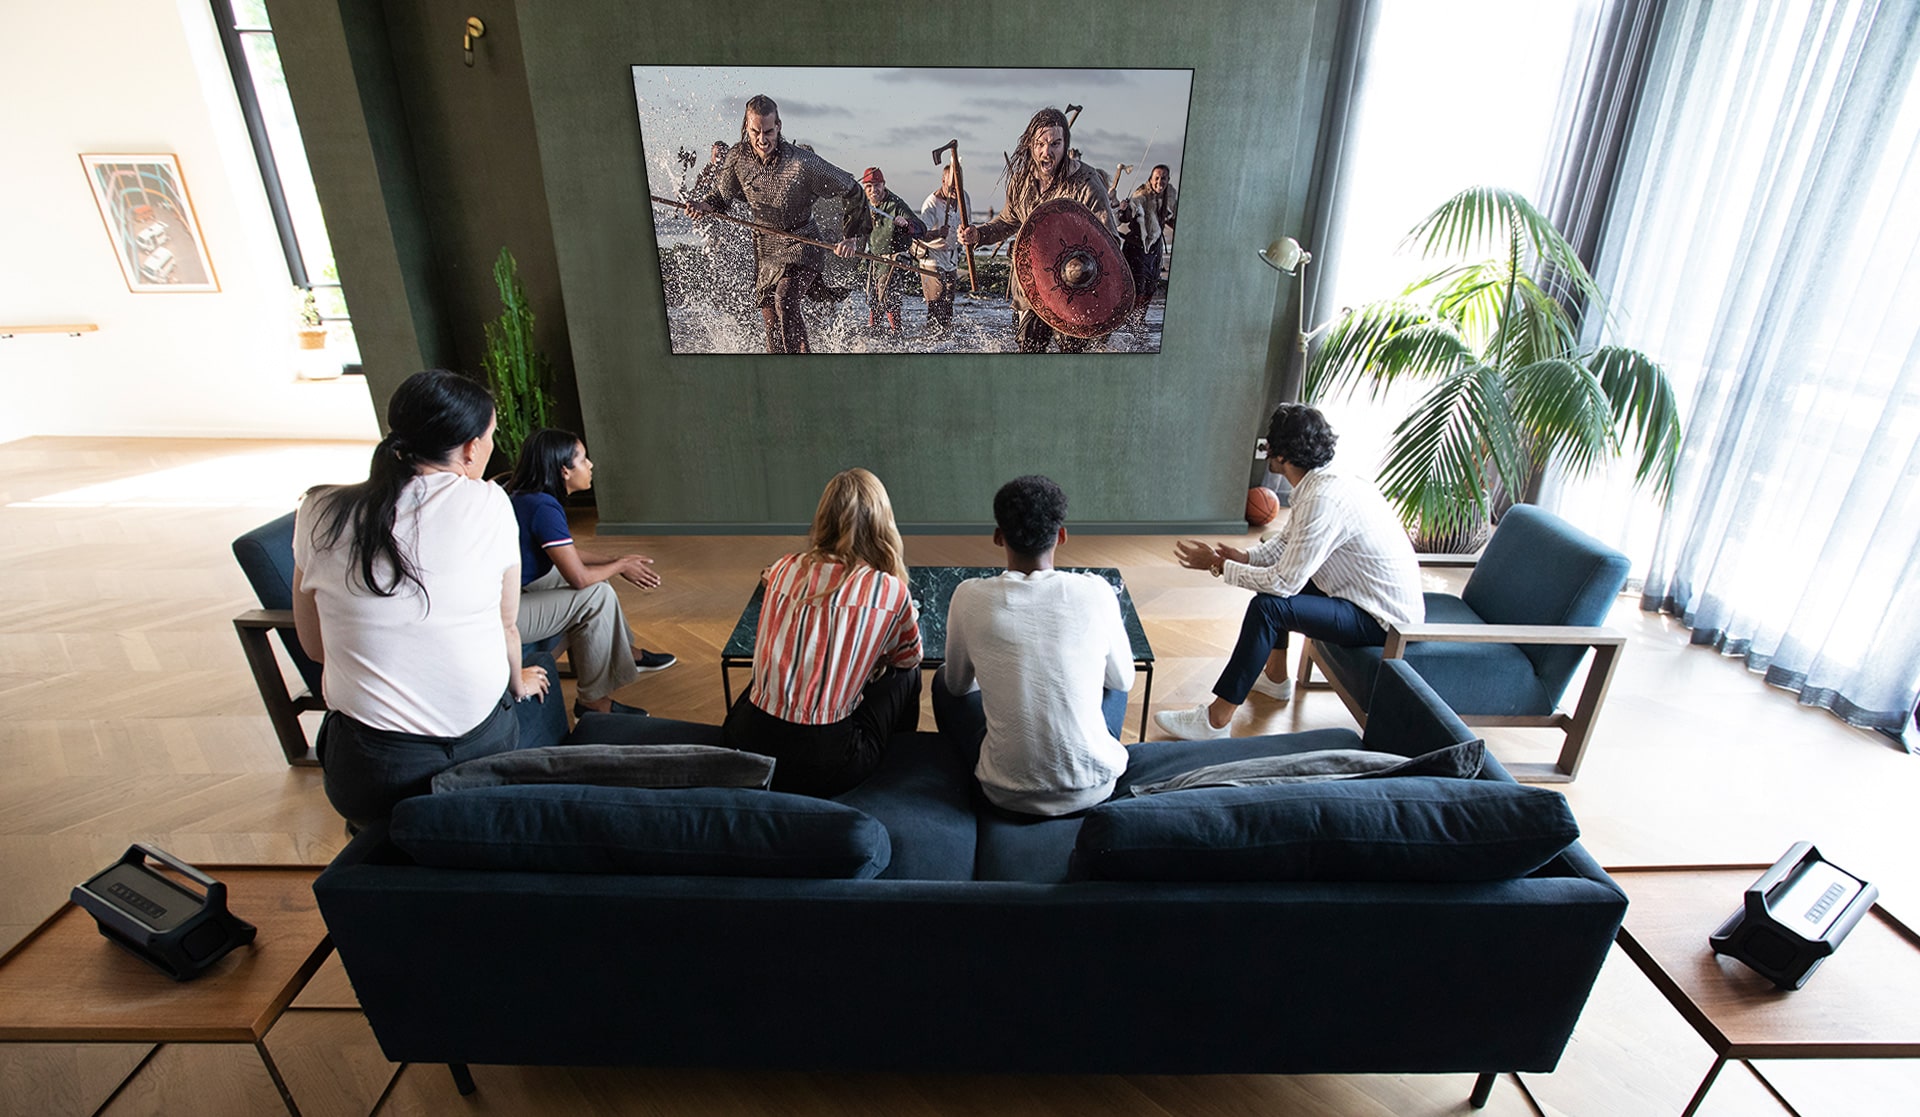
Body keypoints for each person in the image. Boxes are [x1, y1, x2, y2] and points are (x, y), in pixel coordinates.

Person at [291, 370, 550, 828]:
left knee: (381, 838)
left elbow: (314, 649)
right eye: (490, 436)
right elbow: (505, 626)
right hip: (479, 748)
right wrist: (520, 682)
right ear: (471, 448)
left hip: (371, 768)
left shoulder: (318, 510)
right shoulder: (489, 503)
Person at [1155, 403, 1424, 740]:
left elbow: (1284, 583)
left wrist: (1219, 565)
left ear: (1281, 455)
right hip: (1363, 598)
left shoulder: (1323, 499)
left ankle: (1216, 721)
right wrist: (1246, 557)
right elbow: (1287, 543)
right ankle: (1276, 679)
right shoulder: (1322, 482)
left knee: (1268, 607)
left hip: (1382, 620)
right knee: (1269, 588)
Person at [934, 476, 1136, 816]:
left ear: (998, 536)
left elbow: (957, 685)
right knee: (1113, 681)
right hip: (1096, 787)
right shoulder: (1097, 591)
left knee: (941, 683)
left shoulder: (968, 596)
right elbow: (1123, 683)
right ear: (1061, 535)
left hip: (1003, 793)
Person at [722, 468, 923, 798]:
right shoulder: (889, 590)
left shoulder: (785, 567)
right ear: (883, 523)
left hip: (744, 741)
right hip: (825, 766)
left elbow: (770, 577)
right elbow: (908, 657)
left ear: (823, 518)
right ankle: (897, 767)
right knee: (907, 674)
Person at [506, 429, 676, 720]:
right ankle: (591, 702)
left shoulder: (523, 494)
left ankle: (627, 653)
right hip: (504, 614)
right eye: (583, 459)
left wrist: (614, 560)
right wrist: (621, 566)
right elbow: (579, 579)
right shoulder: (543, 507)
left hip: (513, 591)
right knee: (594, 594)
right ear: (564, 470)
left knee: (599, 577)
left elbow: (566, 554)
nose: (591, 465)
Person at [688, 94, 873, 353]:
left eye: (768, 132)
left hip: (803, 242)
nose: (762, 139)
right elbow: (721, 196)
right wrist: (705, 206)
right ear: (746, 128)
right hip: (767, 250)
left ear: (779, 127)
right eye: (755, 132)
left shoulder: (802, 163)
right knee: (771, 321)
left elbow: (853, 188)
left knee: (784, 300)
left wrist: (851, 236)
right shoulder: (737, 158)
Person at [958, 107, 1123, 353]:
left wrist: (1081, 271)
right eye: (1041, 144)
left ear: (1065, 145)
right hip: (1032, 284)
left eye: (1055, 143)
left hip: (1075, 289)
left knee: (1071, 352)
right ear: (1031, 145)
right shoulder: (1022, 181)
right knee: (1028, 348)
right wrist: (979, 235)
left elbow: (1110, 241)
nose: (1047, 151)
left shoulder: (1087, 183)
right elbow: (1007, 221)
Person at [858, 167, 927, 335]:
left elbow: (921, 228)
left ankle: (896, 332)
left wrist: (906, 224)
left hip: (895, 258)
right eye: (869, 187)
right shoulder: (863, 204)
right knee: (873, 298)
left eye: (877, 186)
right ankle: (874, 332)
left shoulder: (896, 204)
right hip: (874, 258)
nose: (873, 190)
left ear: (883, 185)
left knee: (888, 295)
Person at [916, 161, 972, 329]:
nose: (955, 191)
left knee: (949, 302)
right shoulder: (931, 203)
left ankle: (946, 341)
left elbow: (967, 222)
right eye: (951, 187)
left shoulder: (964, 197)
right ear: (943, 181)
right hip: (932, 257)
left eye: (958, 186)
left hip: (952, 256)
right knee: (936, 301)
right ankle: (931, 341)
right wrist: (938, 233)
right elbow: (920, 234)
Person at [1126, 164, 1178, 306]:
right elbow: (1128, 214)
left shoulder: (1170, 195)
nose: (1159, 182)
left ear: (1168, 180)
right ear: (1151, 178)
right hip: (1137, 247)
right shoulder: (1141, 195)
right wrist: (1125, 209)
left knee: (1151, 286)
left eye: (1163, 179)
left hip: (1155, 248)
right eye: (1156, 178)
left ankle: (1141, 321)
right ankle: (1134, 321)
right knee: (1139, 286)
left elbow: (1172, 218)